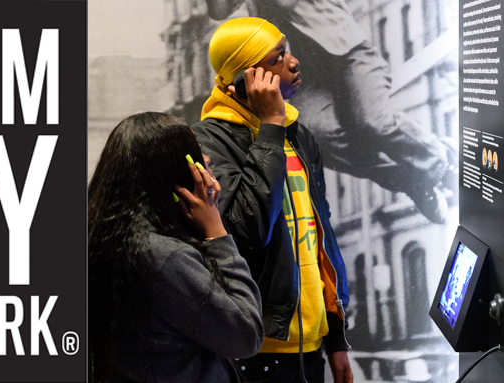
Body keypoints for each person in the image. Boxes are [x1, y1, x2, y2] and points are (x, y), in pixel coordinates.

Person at [192, 17, 353, 383]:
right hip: (255, 350)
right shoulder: (208, 140)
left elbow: (321, 243)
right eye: (277, 58)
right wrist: (270, 126)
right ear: (244, 81)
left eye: (288, 51)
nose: (293, 62)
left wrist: (336, 340)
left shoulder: (299, 136)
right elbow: (250, 227)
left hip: (311, 345)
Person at [205, 0, 453, 224]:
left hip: (347, 53)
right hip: (303, 75)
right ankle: (412, 181)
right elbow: (219, 10)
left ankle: (438, 157)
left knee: (371, 123)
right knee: (313, 141)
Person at [88, 112, 264, 383]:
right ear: (174, 170)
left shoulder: (107, 239)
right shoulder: (165, 257)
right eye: (195, 153)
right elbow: (245, 334)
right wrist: (216, 232)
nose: (206, 161)